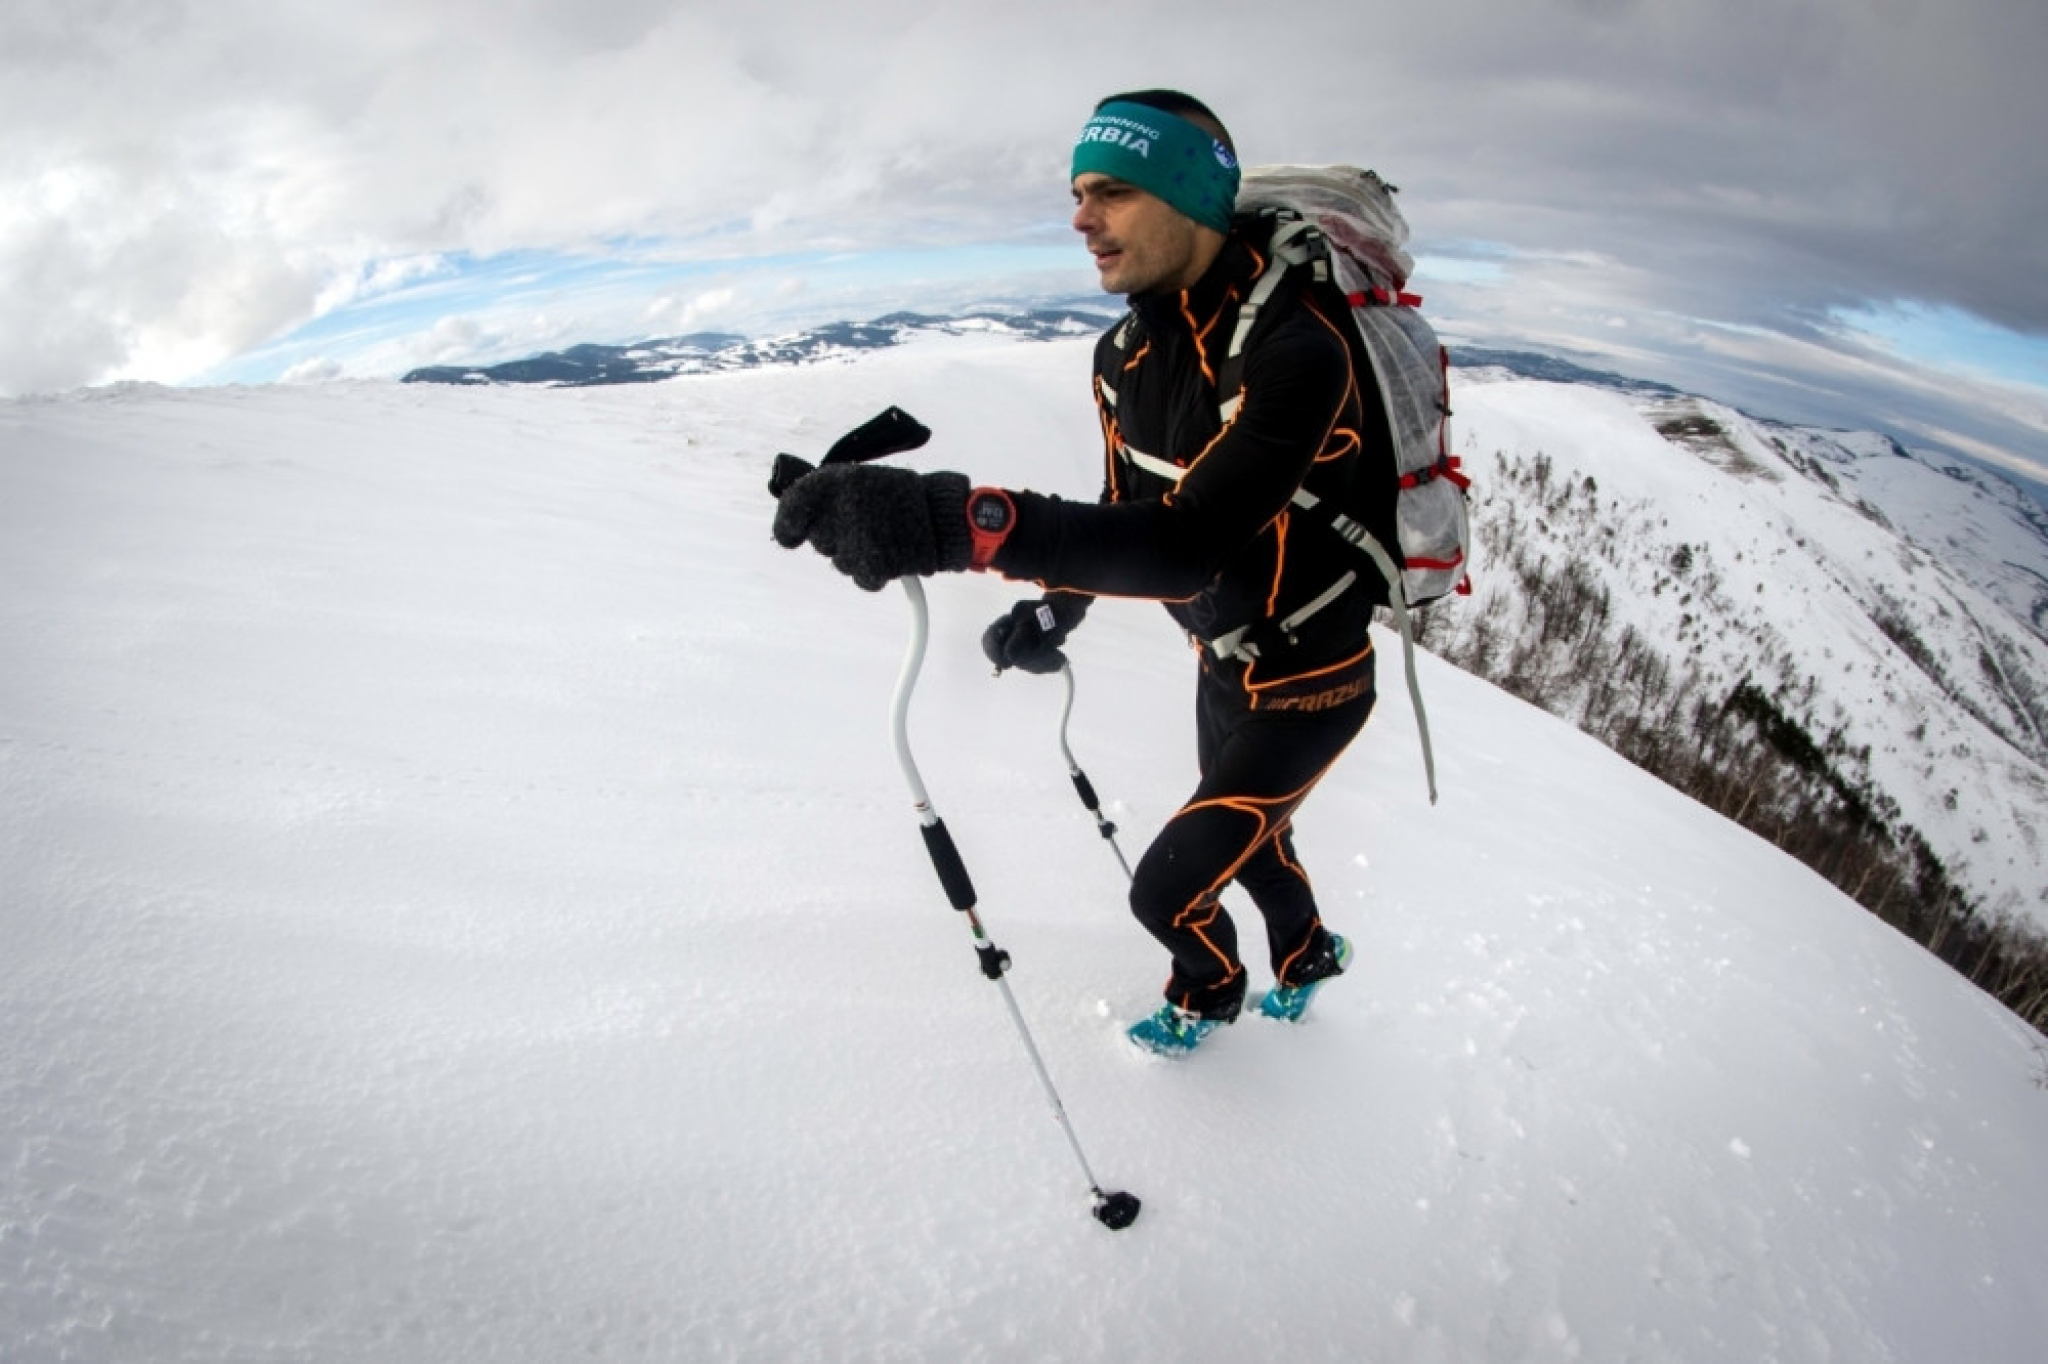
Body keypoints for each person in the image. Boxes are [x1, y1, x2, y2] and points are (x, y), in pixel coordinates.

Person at [773, 89, 1400, 1054]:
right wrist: (1055, 614)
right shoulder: (1123, 356)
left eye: (1112, 192)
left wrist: (958, 522)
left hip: (1314, 683)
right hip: (1220, 665)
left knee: (1167, 889)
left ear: (1191, 196)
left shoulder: (1297, 353)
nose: (1079, 219)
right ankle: (1309, 951)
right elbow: (1124, 513)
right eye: (1077, 193)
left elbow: (1188, 543)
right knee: (1259, 837)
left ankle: (1211, 991)